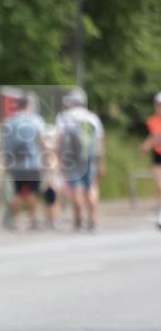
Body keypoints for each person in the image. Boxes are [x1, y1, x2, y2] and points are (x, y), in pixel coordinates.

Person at [55, 86, 105, 231]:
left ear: (71, 102)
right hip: (90, 156)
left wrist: (58, 159)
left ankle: (78, 220)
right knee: (92, 187)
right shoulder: (92, 117)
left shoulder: (64, 117)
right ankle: (93, 220)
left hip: (72, 158)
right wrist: (101, 161)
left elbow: (59, 140)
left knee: (75, 188)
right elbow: (100, 140)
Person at [1, 94, 45, 229]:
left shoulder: (9, 121)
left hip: (15, 164)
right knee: (32, 192)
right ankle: (33, 221)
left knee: (17, 193)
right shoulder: (35, 120)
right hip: (32, 163)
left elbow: (4, 144)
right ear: (29, 105)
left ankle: (14, 222)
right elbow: (41, 141)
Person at [140, 91, 161, 229]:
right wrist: (146, 145)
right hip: (158, 155)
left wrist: (149, 142)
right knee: (160, 186)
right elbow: (154, 136)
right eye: (158, 104)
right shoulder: (152, 120)